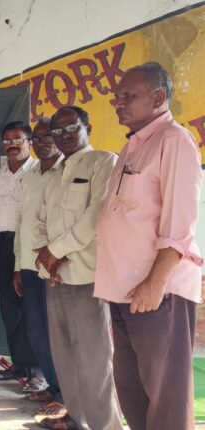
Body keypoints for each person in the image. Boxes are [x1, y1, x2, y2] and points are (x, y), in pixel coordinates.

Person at [96, 62, 201, 430]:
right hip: (125, 292)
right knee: (132, 390)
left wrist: (155, 284)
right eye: (117, 96)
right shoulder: (134, 146)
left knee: (166, 398)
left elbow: (179, 226)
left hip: (157, 294)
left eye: (128, 96)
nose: (118, 102)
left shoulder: (174, 141)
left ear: (158, 98)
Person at [34, 106, 122, 430]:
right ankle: (75, 418)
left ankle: (105, 425)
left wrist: (56, 251)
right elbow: (41, 219)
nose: (64, 135)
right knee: (64, 353)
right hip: (55, 277)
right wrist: (47, 254)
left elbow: (96, 217)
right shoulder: (55, 172)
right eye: (57, 131)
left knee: (94, 357)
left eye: (71, 127)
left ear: (88, 127)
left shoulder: (104, 162)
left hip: (87, 275)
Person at [12, 118, 65, 415]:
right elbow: (22, 222)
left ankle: (65, 393)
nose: (42, 143)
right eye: (37, 139)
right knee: (37, 330)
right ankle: (53, 385)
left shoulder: (66, 171)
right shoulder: (30, 175)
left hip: (56, 264)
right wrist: (18, 267)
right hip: (29, 265)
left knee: (58, 330)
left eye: (48, 137)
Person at [0, 121, 40, 387]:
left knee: (31, 308)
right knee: (10, 309)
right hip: (2, 245)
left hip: (29, 246)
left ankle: (38, 372)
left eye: (18, 139)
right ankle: (19, 364)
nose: (12, 144)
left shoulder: (38, 172)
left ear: (29, 142)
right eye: (7, 140)